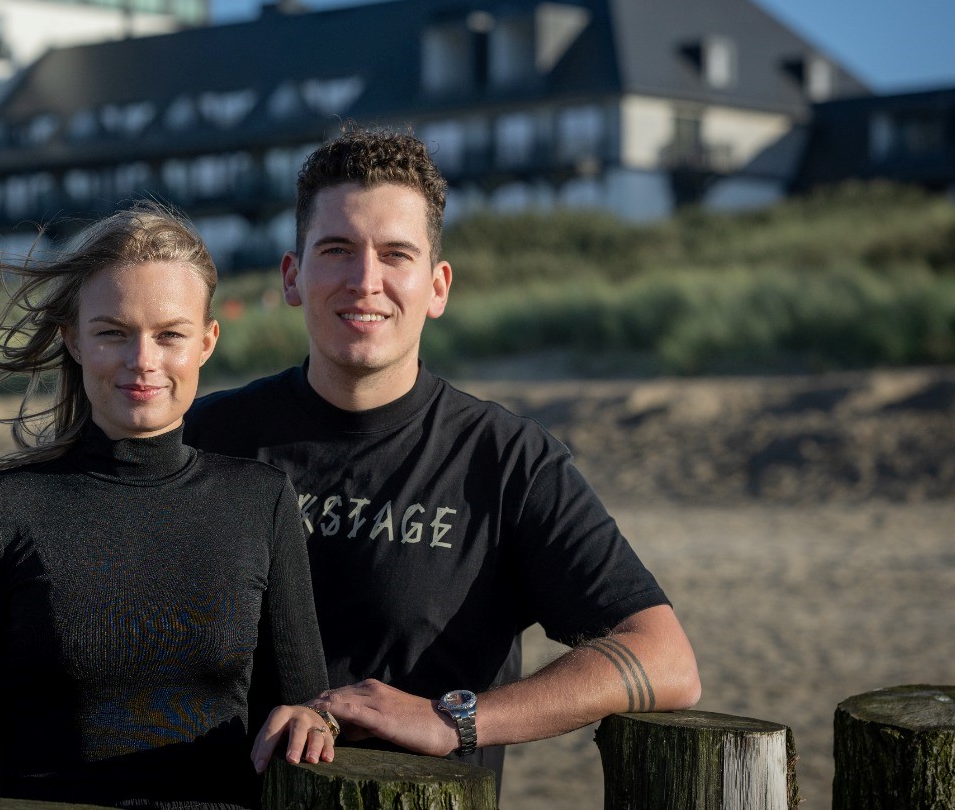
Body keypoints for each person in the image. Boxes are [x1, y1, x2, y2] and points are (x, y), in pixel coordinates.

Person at [185, 126, 701, 784]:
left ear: (437, 285)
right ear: (293, 275)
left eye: (396, 254)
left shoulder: (506, 461)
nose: (365, 280)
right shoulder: (208, 435)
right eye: (337, 249)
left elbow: (666, 658)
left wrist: (455, 717)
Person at [0, 203, 337, 809]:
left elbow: (302, 716)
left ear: (207, 342)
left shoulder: (261, 501)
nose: (143, 360)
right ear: (74, 339)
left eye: (170, 334)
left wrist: (319, 721)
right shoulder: (1, 512)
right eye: (113, 331)